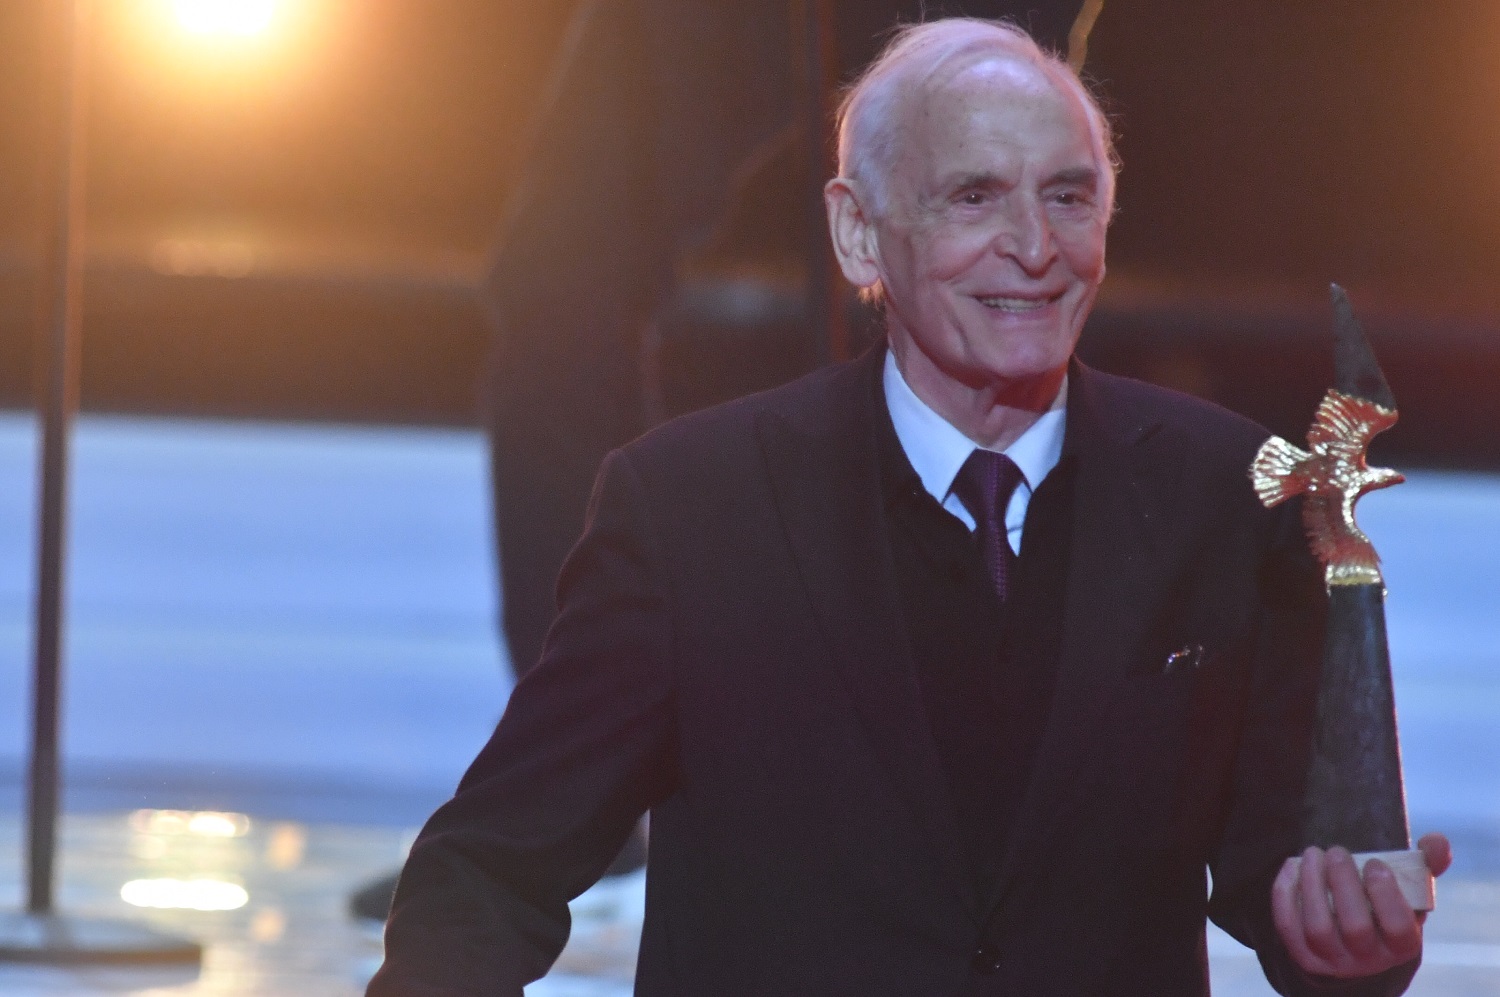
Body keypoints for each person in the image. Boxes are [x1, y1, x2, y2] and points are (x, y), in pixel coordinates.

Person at [368, 18, 1449, 996]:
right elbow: (489, 871)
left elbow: (1300, 898)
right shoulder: (694, 509)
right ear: (857, 234)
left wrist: (1347, 937)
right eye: (974, 197)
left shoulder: (1234, 494)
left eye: (1067, 196)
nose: (1034, 247)